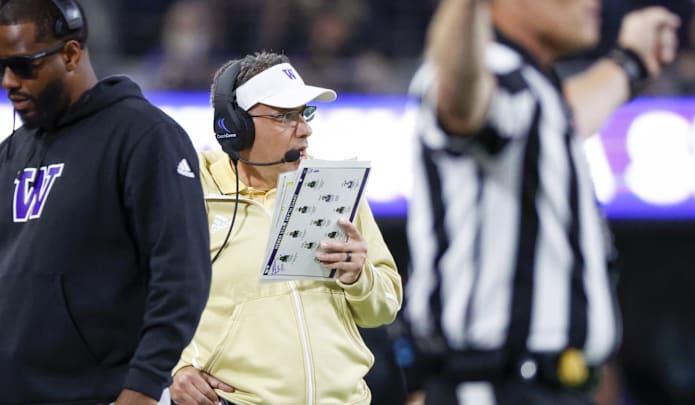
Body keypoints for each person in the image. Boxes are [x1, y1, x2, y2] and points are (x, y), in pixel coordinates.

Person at [404, 0, 680, 404]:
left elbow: (566, 115)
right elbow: (460, 99)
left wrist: (631, 61)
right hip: (499, 385)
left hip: (544, 386)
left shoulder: (531, 89)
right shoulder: (486, 67)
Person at [0, 0, 211, 403]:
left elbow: (182, 275)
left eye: (24, 66)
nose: (9, 80)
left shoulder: (144, 136)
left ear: (71, 54)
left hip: (100, 393)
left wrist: (145, 387)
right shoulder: (11, 151)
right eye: (2, 67)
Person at [169, 51, 403, 405]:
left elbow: (385, 307)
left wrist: (359, 276)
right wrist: (175, 367)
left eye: (305, 113)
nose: (305, 128)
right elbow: (136, 296)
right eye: (285, 116)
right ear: (235, 125)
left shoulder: (334, 187)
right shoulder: (187, 193)